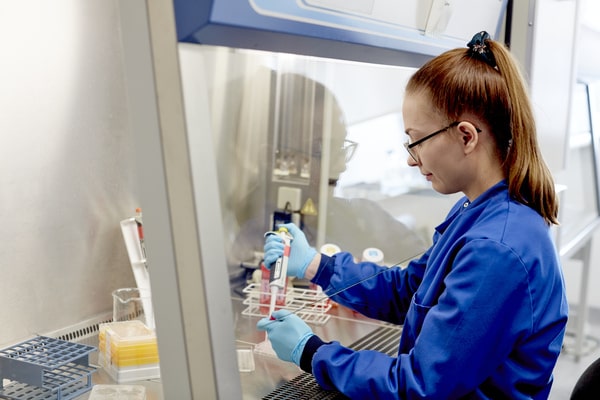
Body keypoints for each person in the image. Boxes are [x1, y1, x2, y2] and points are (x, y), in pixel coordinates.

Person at [257, 31, 568, 399]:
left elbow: (420, 385)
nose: (410, 158)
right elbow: (409, 290)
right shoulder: (481, 212)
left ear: (466, 136)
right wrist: (317, 267)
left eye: (416, 140)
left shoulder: (496, 248)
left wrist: (311, 352)